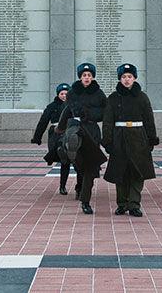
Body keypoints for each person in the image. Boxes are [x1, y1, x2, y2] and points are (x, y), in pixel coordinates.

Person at [102, 63, 159, 217]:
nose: (127, 80)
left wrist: (151, 139)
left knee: (137, 172)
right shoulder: (113, 98)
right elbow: (107, 121)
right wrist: (107, 141)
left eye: (129, 77)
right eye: (124, 77)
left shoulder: (142, 97)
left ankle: (134, 204)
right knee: (120, 171)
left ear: (134, 78)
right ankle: (122, 203)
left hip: (138, 137)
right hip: (119, 136)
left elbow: (149, 119)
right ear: (120, 79)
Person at [57, 62, 107, 214]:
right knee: (77, 157)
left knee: (88, 167)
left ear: (92, 77)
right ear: (80, 77)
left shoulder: (98, 93)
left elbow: (104, 112)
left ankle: (84, 197)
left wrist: (90, 115)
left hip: (91, 130)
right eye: (84, 75)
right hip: (76, 127)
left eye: (89, 75)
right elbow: (68, 110)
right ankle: (67, 149)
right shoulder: (73, 93)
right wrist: (60, 128)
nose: (86, 78)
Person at [33, 83, 72, 195]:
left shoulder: (73, 105)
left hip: (69, 134)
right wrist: (37, 137)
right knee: (63, 159)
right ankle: (62, 186)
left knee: (70, 161)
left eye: (66, 94)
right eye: (62, 94)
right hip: (56, 135)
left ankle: (71, 187)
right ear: (58, 94)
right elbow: (43, 122)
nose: (64, 96)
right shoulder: (52, 106)